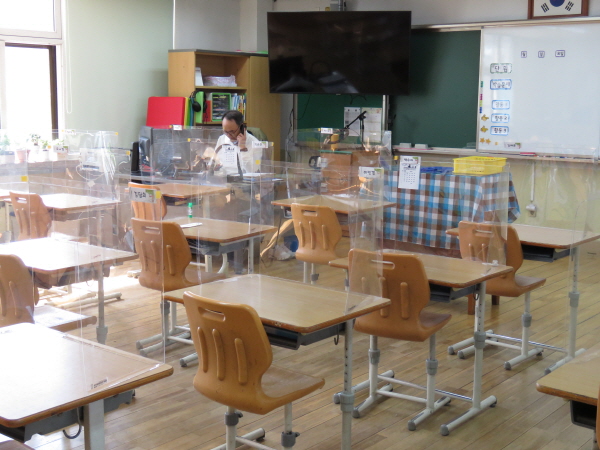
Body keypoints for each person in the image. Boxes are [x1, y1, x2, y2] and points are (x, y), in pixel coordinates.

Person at [213, 110, 262, 175]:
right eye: (225, 131)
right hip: (223, 178)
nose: (228, 135)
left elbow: (253, 170)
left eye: (232, 132)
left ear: (241, 127)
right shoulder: (222, 139)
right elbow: (215, 161)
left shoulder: (255, 143)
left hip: (243, 180)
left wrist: (243, 148)